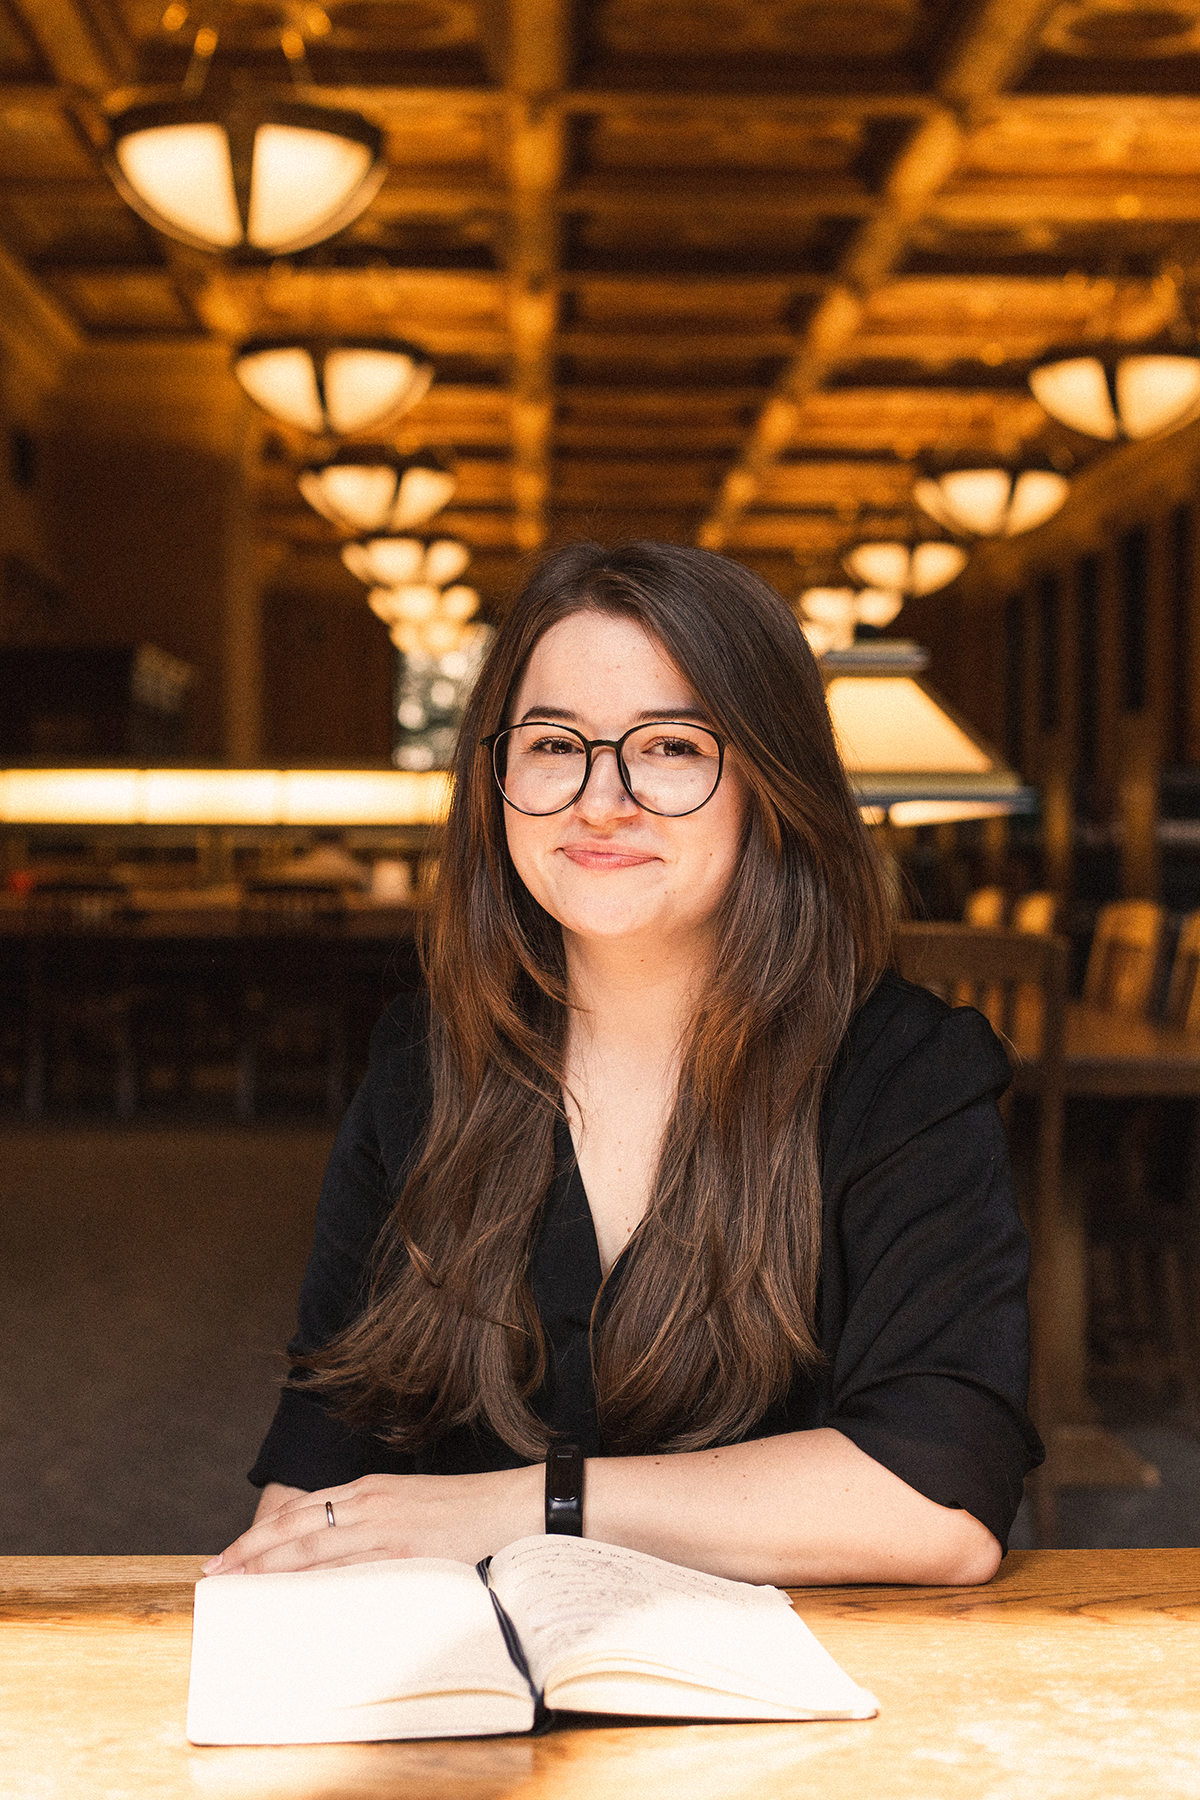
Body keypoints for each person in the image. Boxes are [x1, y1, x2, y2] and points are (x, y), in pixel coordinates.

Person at [207, 542, 1042, 1587]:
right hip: (479, 1703)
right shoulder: (424, 1065)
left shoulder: (903, 1072)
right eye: (556, 744)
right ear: (499, 778)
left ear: (770, 783)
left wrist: (526, 1505)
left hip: (819, 1707)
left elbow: (939, 1501)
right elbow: (326, 1460)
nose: (602, 800)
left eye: (673, 748)